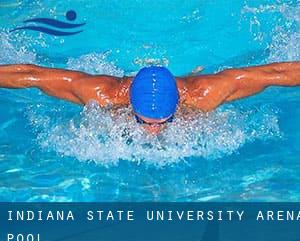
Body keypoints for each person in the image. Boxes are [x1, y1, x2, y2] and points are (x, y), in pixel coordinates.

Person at [0, 62, 299, 134]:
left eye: (163, 122)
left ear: (177, 107)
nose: (153, 131)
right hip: (117, 85)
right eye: (143, 121)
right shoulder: (101, 93)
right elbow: (31, 75)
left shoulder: (204, 94)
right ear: (130, 105)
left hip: (191, 84)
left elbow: (273, 74)